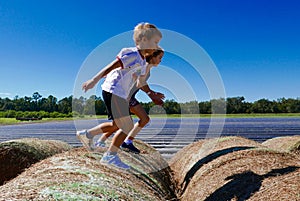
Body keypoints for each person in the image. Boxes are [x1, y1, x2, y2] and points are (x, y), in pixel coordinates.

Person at [76, 22, 163, 170]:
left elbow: (140, 82)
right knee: (126, 125)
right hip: (113, 90)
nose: (156, 46)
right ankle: (110, 156)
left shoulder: (142, 61)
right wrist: (94, 80)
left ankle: (87, 134)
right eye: (155, 42)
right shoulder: (131, 53)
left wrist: (152, 94)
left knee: (116, 125)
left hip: (120, 93)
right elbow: (111, 66)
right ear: (143, 40)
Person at [95, 49, 165, 154]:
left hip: (128, 96)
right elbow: (138, 81)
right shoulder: (143, 66)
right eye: (160, 57)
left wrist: (153, 93)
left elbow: (141, 83)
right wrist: (152, 95)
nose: (161, 60)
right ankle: (121, 142)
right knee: (131, 121)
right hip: (125, 96)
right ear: (152, 56)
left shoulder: (147, 68)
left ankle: (112, 141)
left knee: (128, 122)